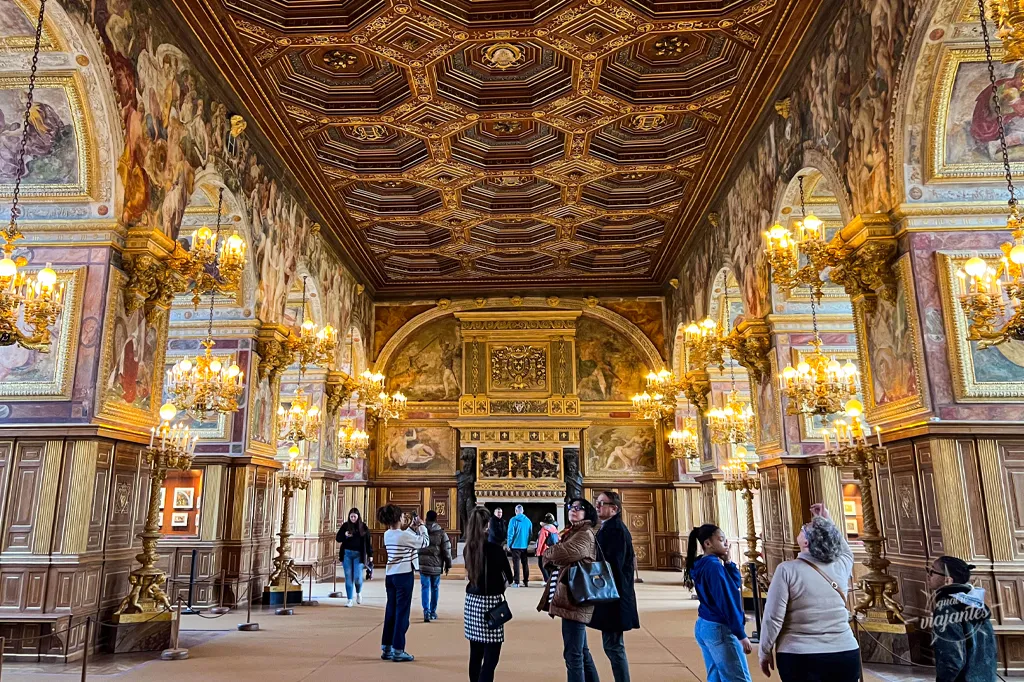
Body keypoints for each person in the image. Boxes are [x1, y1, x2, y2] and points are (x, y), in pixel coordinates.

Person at [758, 504, 859, 682]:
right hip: (845, 652)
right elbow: (844, 548)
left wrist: (764, 651)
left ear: (806, 542)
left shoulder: (787, 570)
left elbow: (773, 617)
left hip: (800, 656)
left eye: (804, 529)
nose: (803, 527)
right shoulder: (841, 566)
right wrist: (827, 522)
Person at [538, 497, 600, 682]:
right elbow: (561, 551)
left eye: (579, 508)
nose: (574, 510)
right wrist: (555, 553)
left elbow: (562, 552)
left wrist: (548, 554)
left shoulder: (584, 533)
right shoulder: (572, 531)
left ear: (587, 513)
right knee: (582, 651)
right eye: (571, 507)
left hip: (576, 597)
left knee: (573, 655)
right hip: (572, 596)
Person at [685, 523, 752, 682]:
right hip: (719, 628)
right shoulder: (713, 567)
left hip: (705, 624)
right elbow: (727, 601)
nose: (726, 544)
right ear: (708, 543)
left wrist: (728, 562)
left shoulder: (703, 563)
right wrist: (740, 634)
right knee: (739, 678)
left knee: (716, 677)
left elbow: (733, 584)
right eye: (721, 540)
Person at [589, 491, 639, 682]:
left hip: (614, 595)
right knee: (612, 645)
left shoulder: (615, 529)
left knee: (614, 647)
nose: (597, 506)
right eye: (597, 502)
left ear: (614, 508)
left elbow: (611, 564)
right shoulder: (608, 527)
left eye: (602, 503)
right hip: (612, 594)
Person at [927, 556, 997, 682]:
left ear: (948, 580)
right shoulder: (975, 602)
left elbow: (952, 658)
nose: (929, 575)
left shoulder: (947, 607)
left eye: (932, 571)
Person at [464, 506, 514, 682]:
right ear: (488, 525)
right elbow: (510, 577)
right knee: (491, 657)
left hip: (472, 603)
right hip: (492, 604)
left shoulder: (467, 549)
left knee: (475, 654)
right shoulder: (496, 550)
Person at [378, 504, 429, 662]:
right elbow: (424, 542)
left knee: (391, 611)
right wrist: (421, 526)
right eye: (401, 516)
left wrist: (411, 529)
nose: (403, 518)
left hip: (391, 576)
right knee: (402, 613)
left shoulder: (388, 534)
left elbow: (402, 537)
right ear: (397, 518)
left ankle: (386, 648)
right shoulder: (403, 536)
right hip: (403, 576)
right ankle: (398, 649)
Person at [418, 509, 452, 622]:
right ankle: (433, 612)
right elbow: (446, 550)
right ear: (436, 519)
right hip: (436, 565)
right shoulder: (441, 533)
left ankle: (426, 611)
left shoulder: (420, 531)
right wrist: (448, 563)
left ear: (426, 518)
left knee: (425, 587)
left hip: (423, 564)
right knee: (435, 588)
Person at [336, 507, 372, 607]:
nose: (352, 518)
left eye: (354, 516)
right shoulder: (345, 526)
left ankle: (358, 592)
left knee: (357, 577)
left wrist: (370, 555)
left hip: (359, 555)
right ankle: (349, 599)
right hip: (347, 554)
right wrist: (345, 535)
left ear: (358, 516)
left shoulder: (363, 527)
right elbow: (338, 539)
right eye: (351, 516)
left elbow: (368, 542)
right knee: (348, 577)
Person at [507, 504, 532, 587]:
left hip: (515, 546)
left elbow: (510, 534)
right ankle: (526, 581)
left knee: (516, 564)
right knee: (525, 564)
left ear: (516, 511)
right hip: (524, 546)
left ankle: (517, 582)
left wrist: (509, 544)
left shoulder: (513, 520)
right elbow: (530, 534)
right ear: (523, 511)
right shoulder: (528, 521)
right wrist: (527, 543)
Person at [536, 513, 560, 582]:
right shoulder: (554, 529)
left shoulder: (544, 529)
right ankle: (550, 579)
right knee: (549, 566)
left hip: (544, 551)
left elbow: (541, 541)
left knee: (542, 565)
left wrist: (538, 552)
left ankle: (547, 580)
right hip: (552, 550)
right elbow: (558, 539)